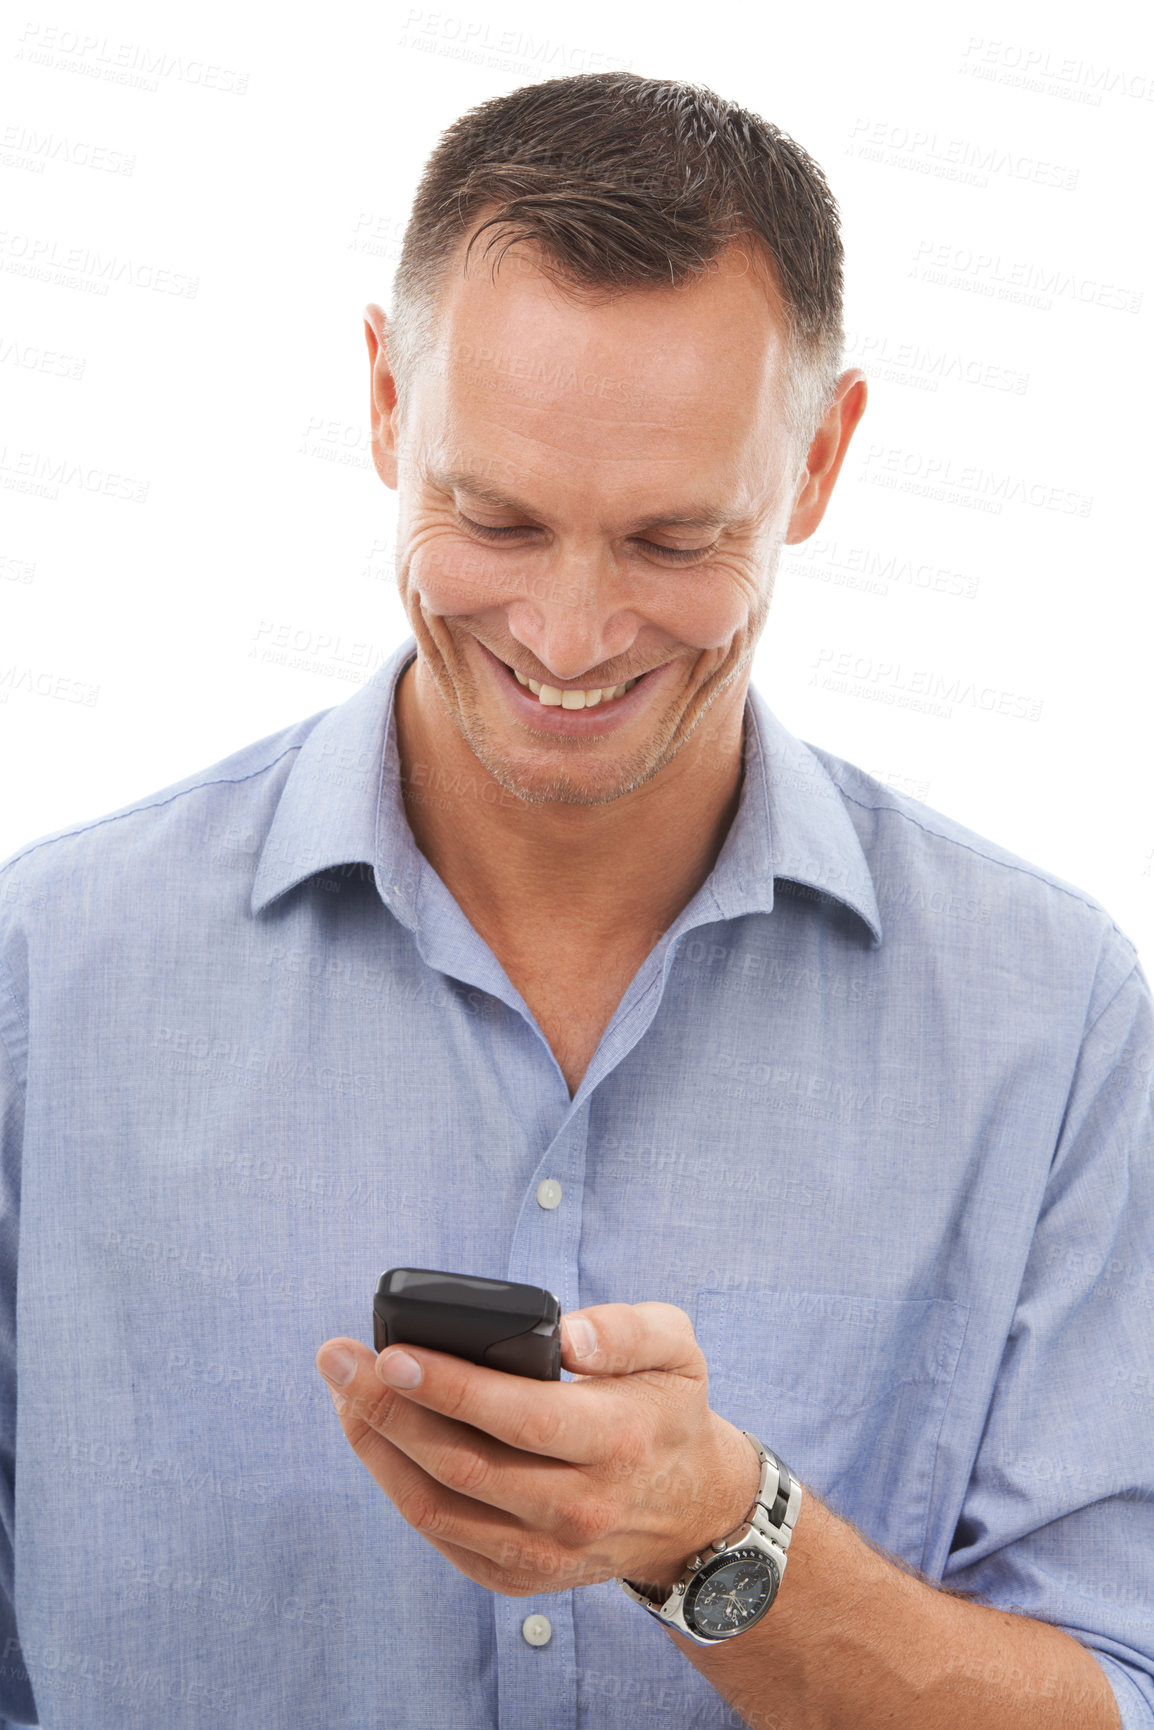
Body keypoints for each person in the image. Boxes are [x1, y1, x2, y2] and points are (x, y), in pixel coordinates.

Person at [0, 70, 1150, 1730]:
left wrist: (716, 1532)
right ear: (387, 405)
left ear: (819, 463)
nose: (568, 630)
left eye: (674, 539)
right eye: (496, 516)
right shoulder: (47, 980)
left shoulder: (1045, 1016)